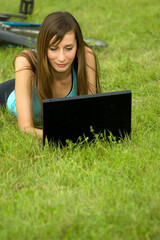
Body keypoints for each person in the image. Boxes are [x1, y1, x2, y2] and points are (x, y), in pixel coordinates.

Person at [0, 11, 101, 138]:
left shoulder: (86, 56)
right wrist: (62, 135)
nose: (62, 58)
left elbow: (91, 114)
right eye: (53, 49)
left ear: (78, 46)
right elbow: (25, 128)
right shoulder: (27, 62)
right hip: (9, 92)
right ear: (42, 47)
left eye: (69, 48)